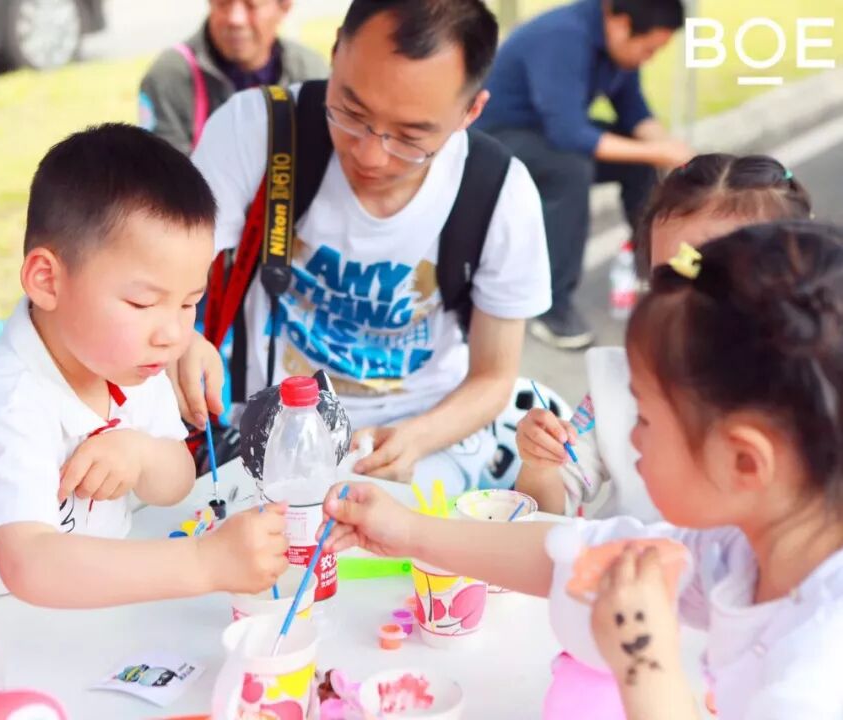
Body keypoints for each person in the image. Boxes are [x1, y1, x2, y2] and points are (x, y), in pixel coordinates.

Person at [319, 220, 843, 719]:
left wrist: (644, 662)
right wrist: (408, 531)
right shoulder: (744, 552)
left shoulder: (813, 676)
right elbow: (571, 555)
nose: (630, 436)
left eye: (645, 418)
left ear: (744, 461)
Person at [177, 0, 552, 491]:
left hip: (426, 433)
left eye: (411, 137)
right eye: (352, 112)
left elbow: (493, 378)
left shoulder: (499, 192)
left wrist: (415, 439)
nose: (371, 155)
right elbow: (167, 272)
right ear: (335, 52)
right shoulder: (258, 130)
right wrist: (181, 341)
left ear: (471, 111)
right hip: (275, 433)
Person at [0, 124, 288, 606]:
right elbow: (33, 565)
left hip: (93, 617)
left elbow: (177, 478)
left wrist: (140, 455)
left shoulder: (130, 364)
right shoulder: (6, 405)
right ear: (47, 281)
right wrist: (204, 563)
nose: (173, 333)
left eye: (189, 303)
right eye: (142, 303)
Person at [515, 154, 814, 519]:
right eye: (668, 278)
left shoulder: (817, 397)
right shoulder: (621, 382)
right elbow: (543, 512)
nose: (687, 298)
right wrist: (540, 463)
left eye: (716, 276)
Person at [474, 0, 692, 350]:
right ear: (621, 24)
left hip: (543, 131)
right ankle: (550, 306)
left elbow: (633, 110)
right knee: (570, 169)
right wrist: (660, 152)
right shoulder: (563, 37)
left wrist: (671, 151)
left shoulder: (617, 45)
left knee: (640, 162)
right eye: (649, 49)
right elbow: (569, 133)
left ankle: (656, 268)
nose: (649, 58)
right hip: (493, 138)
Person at [138, 0, 328, 154]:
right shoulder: (168, 78)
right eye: (223, 3)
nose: (235, 19)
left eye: (251, 5)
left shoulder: (312, 73)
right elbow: (163, 178)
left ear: (284, 6)